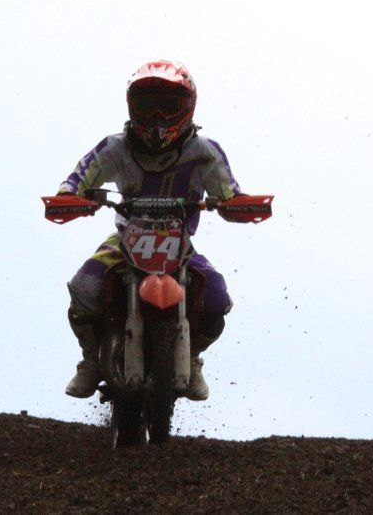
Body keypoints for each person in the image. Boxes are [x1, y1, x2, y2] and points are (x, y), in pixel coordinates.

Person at [58, 60, 244, 401]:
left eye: (168, 106)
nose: (157, 117)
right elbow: (77, 179)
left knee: (216, 297)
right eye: (148, 106)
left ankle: (192, 357)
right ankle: (91, 360)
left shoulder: (204, 152)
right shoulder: (116, 147)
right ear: (132, 106)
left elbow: (230, 192)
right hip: (125, 240)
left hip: (180, 245)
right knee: (84, 288)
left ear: (187, 108)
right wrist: (70, 197)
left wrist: (238, 205)